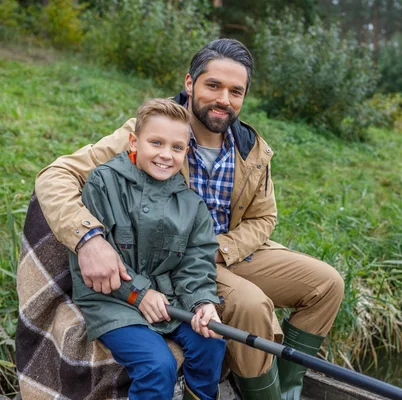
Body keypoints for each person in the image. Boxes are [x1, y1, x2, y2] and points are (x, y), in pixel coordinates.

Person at [36, 38, 345, 400]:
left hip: (224, 251)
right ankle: (262, 394)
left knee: (328, 284)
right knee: (249, 304)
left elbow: (264, 216)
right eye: (213, 85)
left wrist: (222, 248)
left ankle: (289, 390)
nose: (223, 100)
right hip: (177, 259)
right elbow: (55, 176)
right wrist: (88, 238)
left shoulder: (250, 147)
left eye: (235, 91)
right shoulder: (155, 132)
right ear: (190, 84)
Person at [69, 98, 225, 400]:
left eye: (177, 148)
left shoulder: (191, 204)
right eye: (156, 143)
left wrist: (202, 302)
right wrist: (139, 295)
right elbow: (99, 264)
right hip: (112, 302)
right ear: (134, 141)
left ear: (186, 152)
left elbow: (197, 263)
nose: (166, 155)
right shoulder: (103, 182)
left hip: (169, 302)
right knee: (158, 364)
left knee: (212, 342)